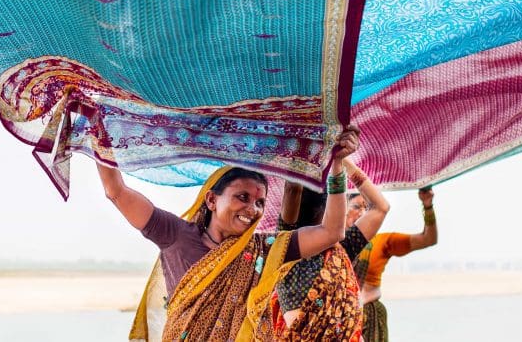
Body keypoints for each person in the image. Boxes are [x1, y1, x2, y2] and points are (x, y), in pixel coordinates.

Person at [97, 125, 360, 342]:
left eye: (259, 202)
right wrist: (95, 131)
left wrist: (337, 166)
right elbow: (116, 191)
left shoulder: (265, 248)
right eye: (242, 197)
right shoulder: (176, 234)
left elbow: (332, 231)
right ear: (211, 200)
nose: (252, 209)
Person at [267, 158, 389, 341]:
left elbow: (381, 208)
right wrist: (340, 162)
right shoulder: (288, 247)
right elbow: (380, 207)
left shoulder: (338, 251)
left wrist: (338, 159)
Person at [352, 186, 438, 342]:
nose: (362, 213)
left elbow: (428, 239)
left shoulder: (382, 242)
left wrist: (428, 206)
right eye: (357, 206)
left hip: (370, 318)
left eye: (368, 208)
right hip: (340, 317)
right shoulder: (330, 244)